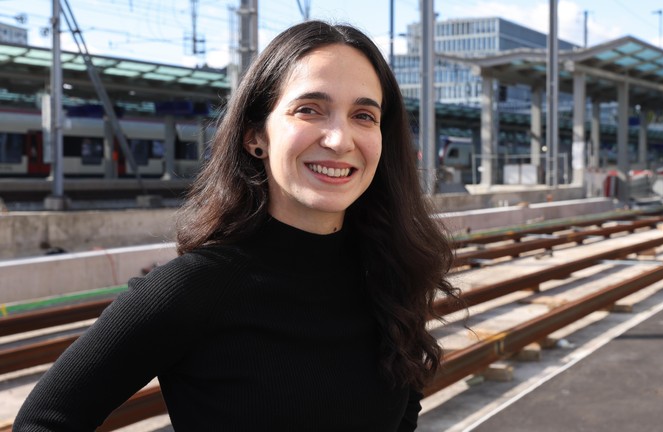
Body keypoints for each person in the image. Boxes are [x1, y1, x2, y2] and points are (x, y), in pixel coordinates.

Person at [14, 20, 458, 431]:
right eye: (309, 110)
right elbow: (43, 421)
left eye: (364, 116)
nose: (340, 140)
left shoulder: (389, 274)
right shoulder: (194, 288)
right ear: (255, 136)